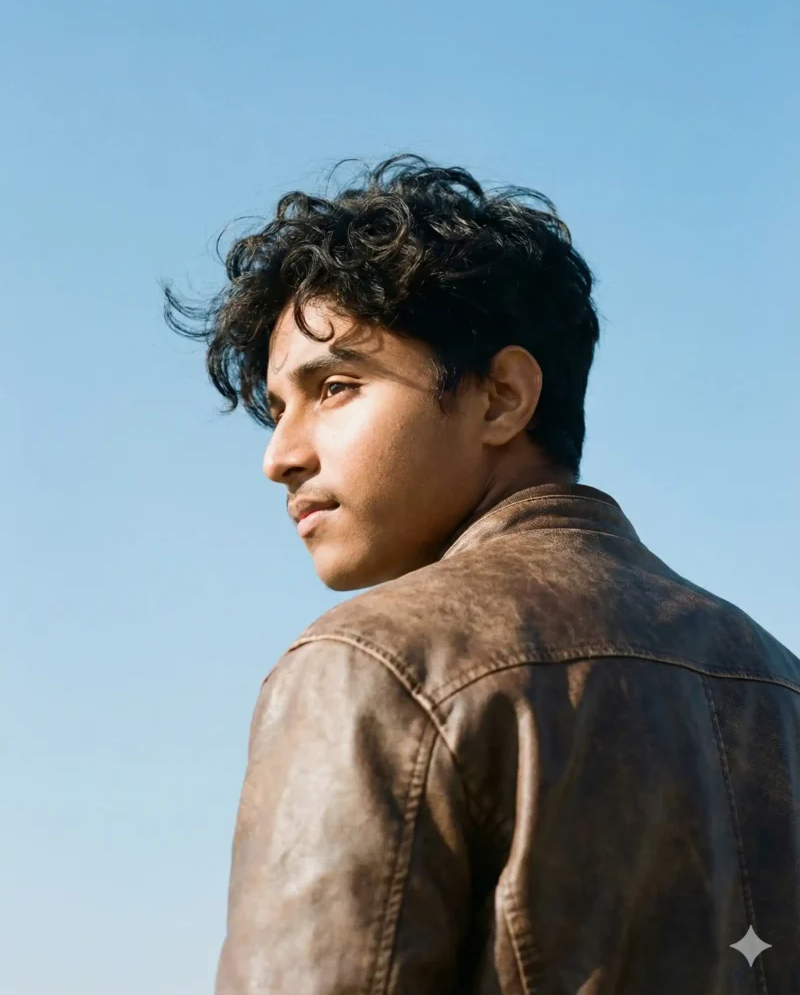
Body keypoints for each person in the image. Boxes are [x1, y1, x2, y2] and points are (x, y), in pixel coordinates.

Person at [163, 154, 799, 994]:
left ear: (502, 397)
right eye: (278, 410)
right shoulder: (780, 686)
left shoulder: (374, 666)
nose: (281, 456)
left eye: (338, 387)